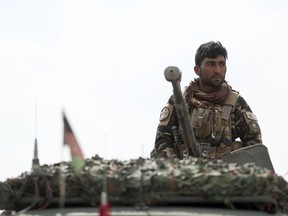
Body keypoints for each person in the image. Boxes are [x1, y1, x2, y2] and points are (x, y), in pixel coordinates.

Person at [151, 41, 262, 160]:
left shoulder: (235, 102)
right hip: (184, 173)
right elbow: (162, 140)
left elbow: (254, 144)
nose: (218, 70)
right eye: (211, 64)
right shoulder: (180, 100)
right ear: (197, 70)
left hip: (224, 174)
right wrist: (176, 168)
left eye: (221, 64)